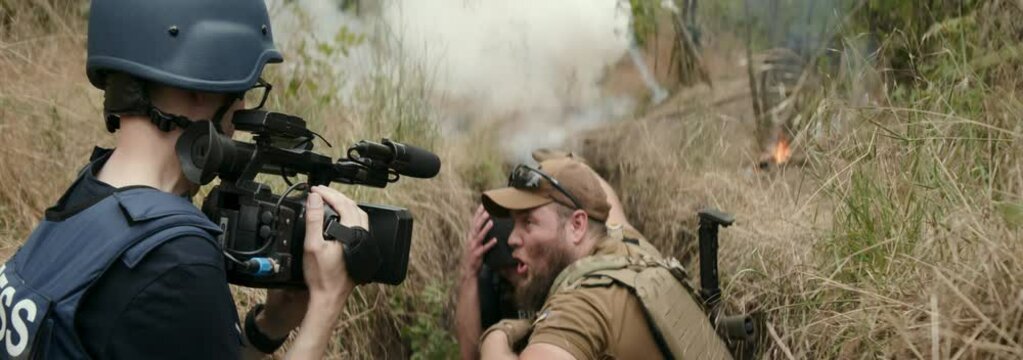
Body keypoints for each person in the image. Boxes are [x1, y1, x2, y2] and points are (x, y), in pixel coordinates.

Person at [0, 0, 365, 358]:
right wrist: (326, 303)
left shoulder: (88, 195)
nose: (240, 112)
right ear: (203, 83)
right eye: (244, 91)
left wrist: (269, 327)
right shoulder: (176, 261)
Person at [459, 153, 731, 359]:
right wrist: (568, 163)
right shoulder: (631, 247)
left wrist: (497, 335)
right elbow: (609, 206)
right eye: (514, 223)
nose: (512, 238)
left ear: (577, 225)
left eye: (528, 222)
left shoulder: (581, 305)